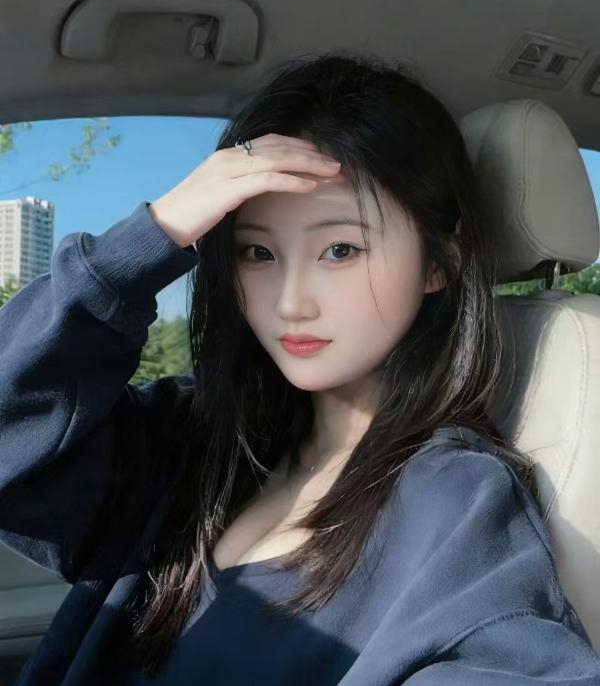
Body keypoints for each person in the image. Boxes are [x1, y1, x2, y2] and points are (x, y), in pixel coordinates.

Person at [1, 53, 600, 686]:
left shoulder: (455, 503)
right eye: (257, 252)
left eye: (340, 249)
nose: (290, 303)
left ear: (438, 264)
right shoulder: (190, 441)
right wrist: (155, 234)